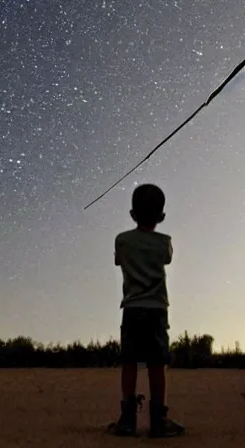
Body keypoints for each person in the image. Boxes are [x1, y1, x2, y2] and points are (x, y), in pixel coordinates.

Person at [109, 183, 185, 438]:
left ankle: (127, 419)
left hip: (131, 309)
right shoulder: (165, 243)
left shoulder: (122, 241)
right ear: (161, 217)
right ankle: (158, 420)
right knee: (156, 364)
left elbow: (119, 259)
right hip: (156, 310)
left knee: (129, 362)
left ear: (132, 214)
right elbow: (167, 258)